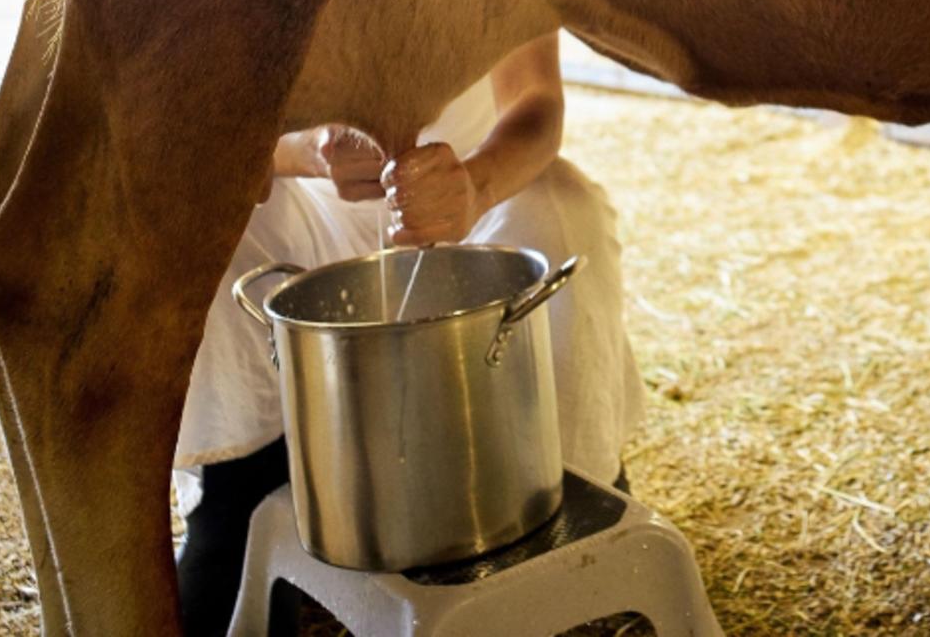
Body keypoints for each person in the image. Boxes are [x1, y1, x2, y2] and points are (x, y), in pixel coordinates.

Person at [171, 35, 643, 635]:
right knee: (218, 216)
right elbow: (206, 120)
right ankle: (240, 496)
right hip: (306, 208)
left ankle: (567, 480)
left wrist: (477, 186)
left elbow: (535, 97)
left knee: (562, 205)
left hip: (463, 194)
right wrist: (309, 149)